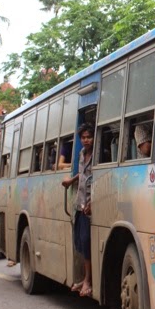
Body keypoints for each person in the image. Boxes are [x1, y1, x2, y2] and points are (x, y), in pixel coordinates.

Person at [62, 123, 94, 298]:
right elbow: (83, 174)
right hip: (80, 204)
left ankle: (88, 280)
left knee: (87, 242)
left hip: (91, 205)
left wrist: (94, 202)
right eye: (83, 137)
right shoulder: (81, 154)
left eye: (89, 137)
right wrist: (72, 180)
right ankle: (84, 278)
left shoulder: (99, 154)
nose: (86, 140)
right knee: (80, 242)